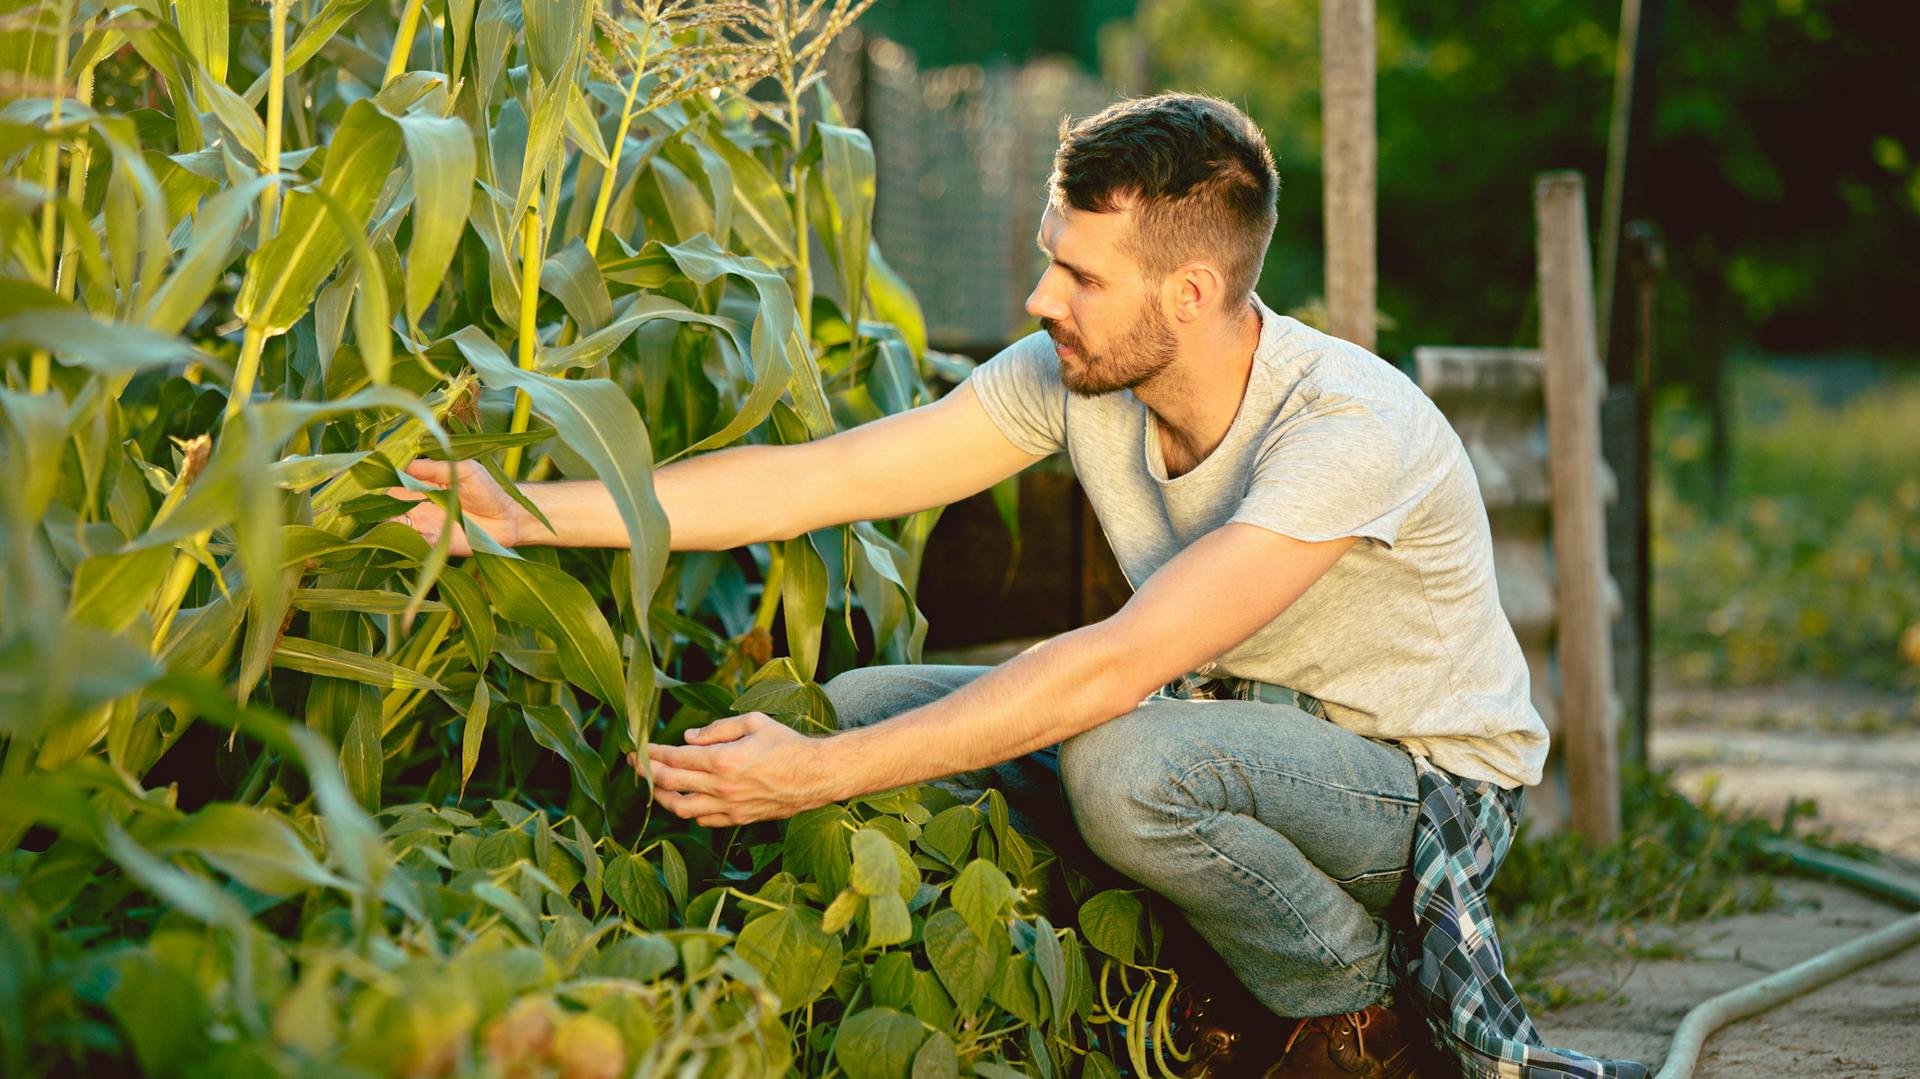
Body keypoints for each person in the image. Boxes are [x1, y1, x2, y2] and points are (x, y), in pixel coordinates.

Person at [394, 93, 1550, 1078]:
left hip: (1413, 788)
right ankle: (1170, 975)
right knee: (867, 702)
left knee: (1120, 762)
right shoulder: (1080, 373)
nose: (1044, 299)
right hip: (1226, 731)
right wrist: (523, 512)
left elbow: (1114, 666)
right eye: (1053, 255)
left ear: (1190, 294)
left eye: (1077, 273)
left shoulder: (1345, 429)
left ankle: (1351, 1010)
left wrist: (810, 780)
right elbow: (825, 478)